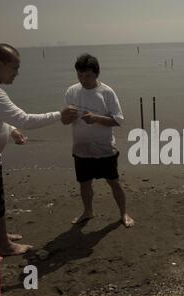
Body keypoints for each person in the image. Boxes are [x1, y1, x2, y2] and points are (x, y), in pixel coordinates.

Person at [0, 43, 78, 256]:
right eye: (14, 68)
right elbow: (24, 119)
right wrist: (59, 115)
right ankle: (5, 246)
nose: (17, 73)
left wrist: (11, 130)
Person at [65, 54, 134, 228]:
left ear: (96, 74)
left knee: (114, 182)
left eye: (87, 75)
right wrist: (66, 116)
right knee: (84, 184)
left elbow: (118, 120)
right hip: (81, 148)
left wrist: (96, 118)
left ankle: (123, 213)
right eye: (79, 75)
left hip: (104, 148)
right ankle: (88, 211)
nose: (83, 79)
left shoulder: (106, 92)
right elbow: (65, 121)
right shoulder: (71, 91)